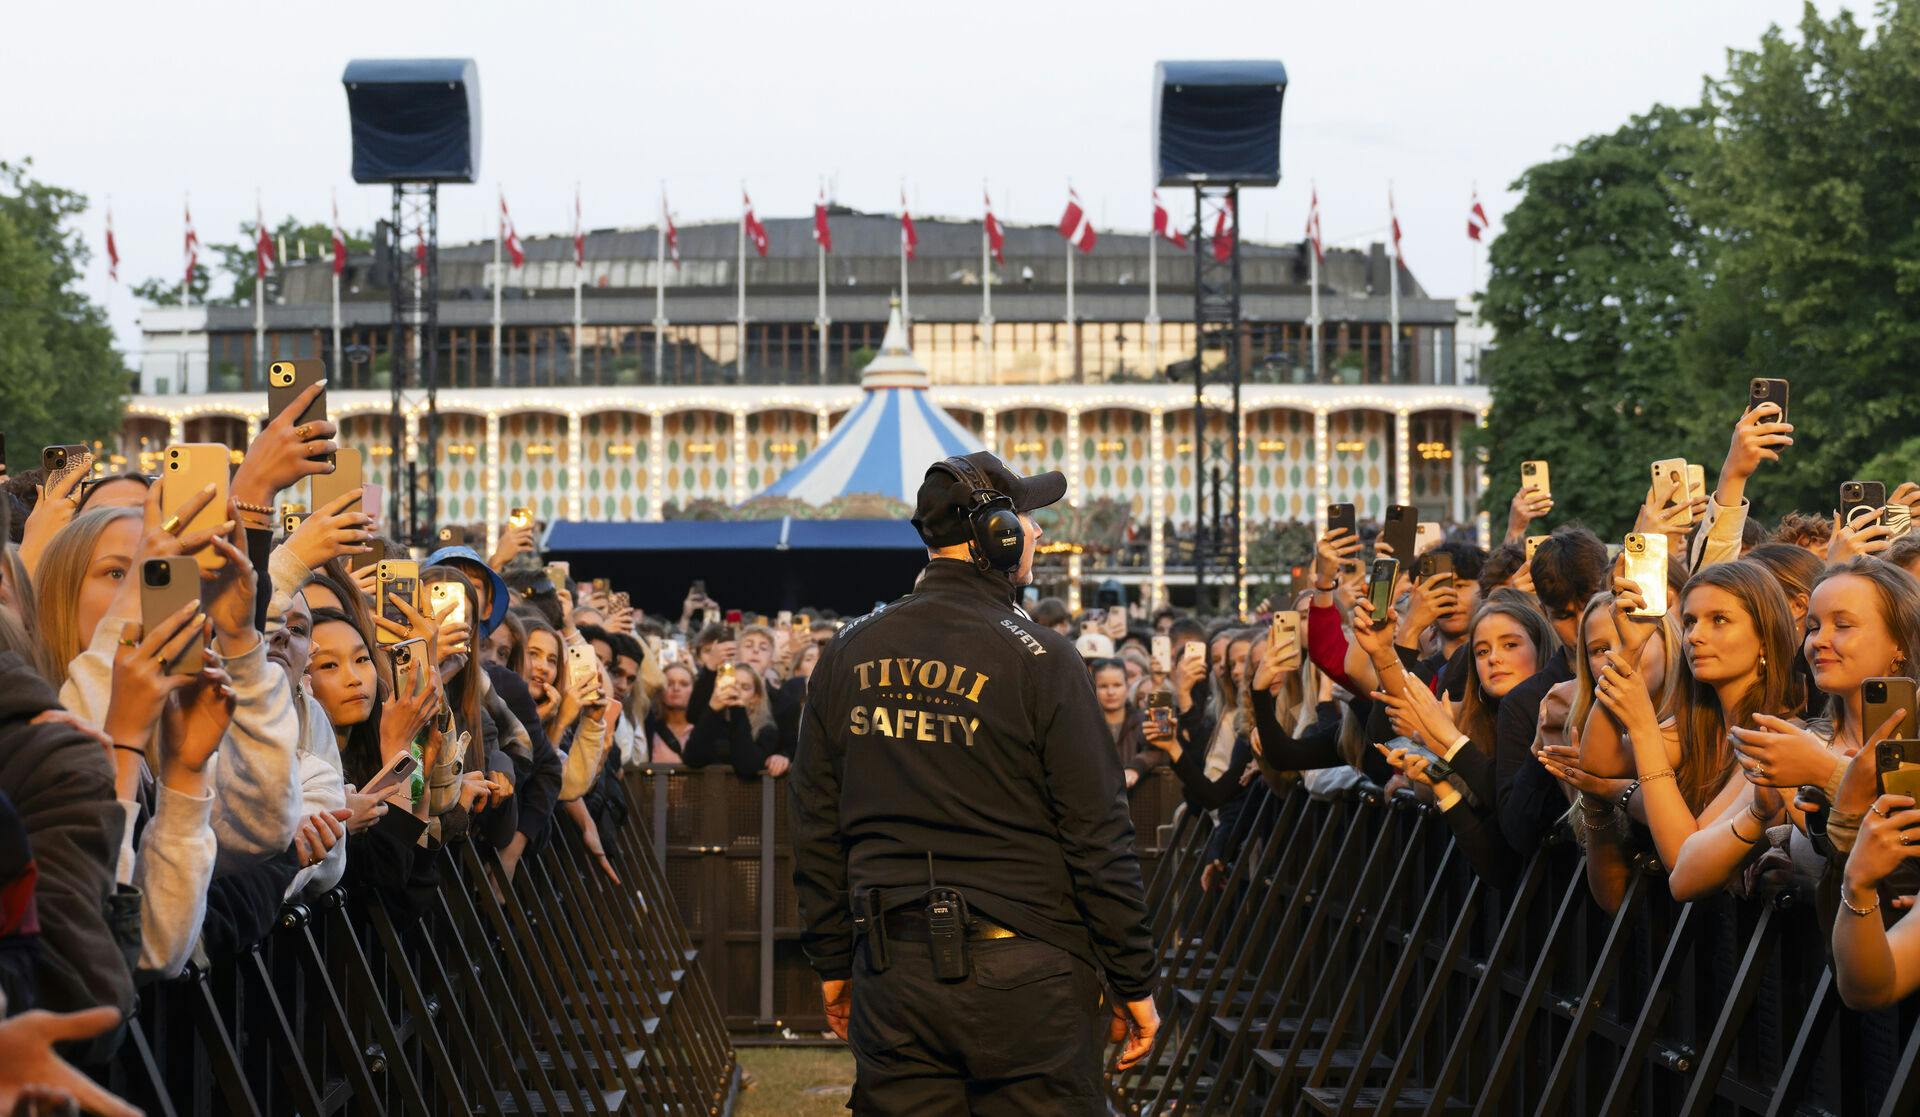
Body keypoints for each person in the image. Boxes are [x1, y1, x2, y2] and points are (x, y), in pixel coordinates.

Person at [790, 450, 1157, 1113]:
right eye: (1027, 517)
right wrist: (1134, 977)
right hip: (1030, 975)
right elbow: (1100, 835)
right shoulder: (1046, 659)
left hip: (892, 970)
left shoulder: (847, 649)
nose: (1039, 532)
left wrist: (833, 962)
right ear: (998, 533)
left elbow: (815, 825)